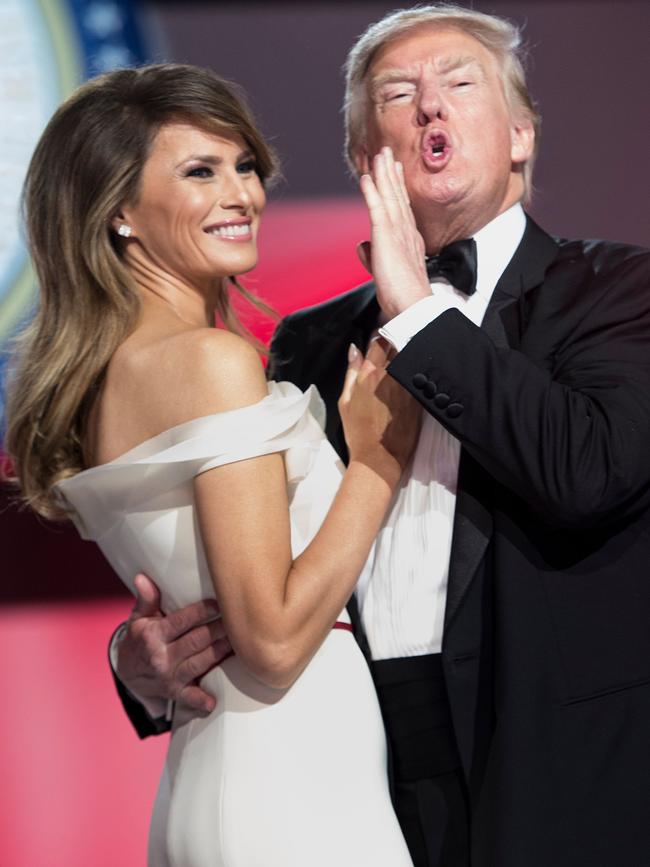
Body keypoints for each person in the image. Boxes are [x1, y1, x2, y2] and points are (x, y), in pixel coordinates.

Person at [110, 5, 650, 867]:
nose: (431, 106)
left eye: (459, 83)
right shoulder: (309, 342)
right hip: (354, 762)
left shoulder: (621, 289)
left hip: (557, 769)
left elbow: (583, 469)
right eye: (399, 94)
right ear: (368, 157)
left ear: (520, 136)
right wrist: (138, 665)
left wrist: (419, 311)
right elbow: (262, 561)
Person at [4, 63, 421, 865]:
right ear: (118, 211)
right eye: (200, 171)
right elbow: (270, 637)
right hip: (285, 788)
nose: (242, 194)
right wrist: (376, 459)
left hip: (248, 773)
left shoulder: (118, 372)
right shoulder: (208, 362)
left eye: (245, 166)